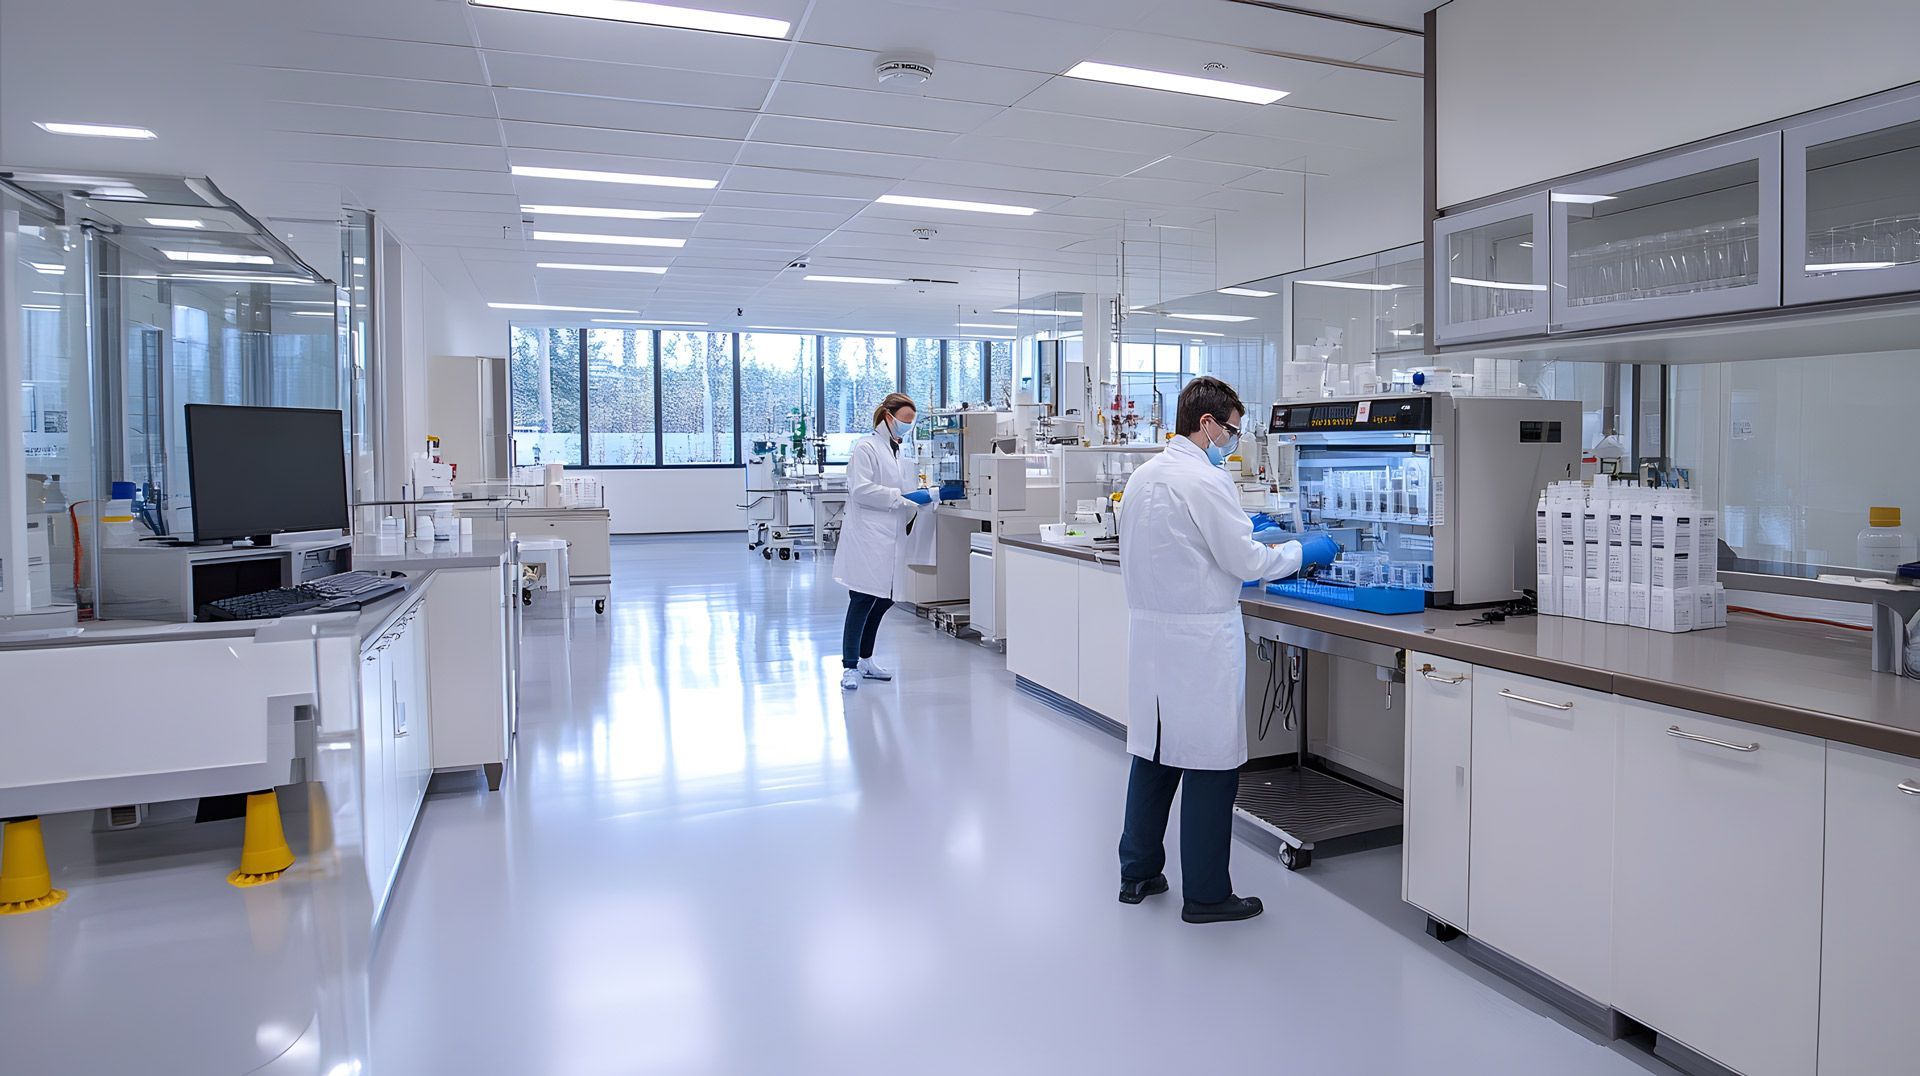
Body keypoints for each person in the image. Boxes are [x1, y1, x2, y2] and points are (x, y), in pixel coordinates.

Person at [1115, 376, 1338, 924]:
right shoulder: (1205, 480)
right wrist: (1301, 551)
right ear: (1206, 423)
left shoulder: (1144, 476)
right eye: (1232, 431)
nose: (1233, 443)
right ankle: (1208, 896)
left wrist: (1250, 537)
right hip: (1199, 640)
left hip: (1151, 637)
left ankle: (1137, 873)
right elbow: (1248, 565)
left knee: (1155, 757)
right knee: (1211, 768)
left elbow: (1188, 547)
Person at [833, 392, 927, 692]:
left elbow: (903, 488)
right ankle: (850, 666)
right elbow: (860, 489)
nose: (907, 427)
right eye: (904, 421)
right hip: (868, 534)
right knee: (862, 597)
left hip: (891, 534)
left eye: (911, 422)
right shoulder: (866, 447)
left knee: (885, 597)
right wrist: (897, 498)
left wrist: (922, 497)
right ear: (888, 416)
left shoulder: (896, 451)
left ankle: (866, 658)